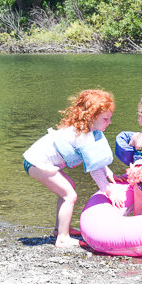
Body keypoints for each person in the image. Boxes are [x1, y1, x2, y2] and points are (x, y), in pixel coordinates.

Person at [23, 89, 124, 247]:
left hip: (35, 161)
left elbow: (98, 161)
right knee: (70, 196)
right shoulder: (83, 136)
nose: (109, 122)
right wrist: (108, 191)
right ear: (91, 117)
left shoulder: (88, 129)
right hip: (37, 163)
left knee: (68, 188)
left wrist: (109, 173)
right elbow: (94, 170)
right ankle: (62, 238)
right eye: (106, 119)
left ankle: (60, 229)